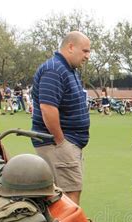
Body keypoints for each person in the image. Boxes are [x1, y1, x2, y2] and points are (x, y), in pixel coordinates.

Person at [31, 31, 91, 205]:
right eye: (85, 51)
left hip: (67, 143)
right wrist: (61, 142)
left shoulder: (67, 69)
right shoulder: (54, 69)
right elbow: (48, 108)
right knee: (68, 199)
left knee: (66, 195)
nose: (87, 56)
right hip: (58, 144)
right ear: (71, 47)